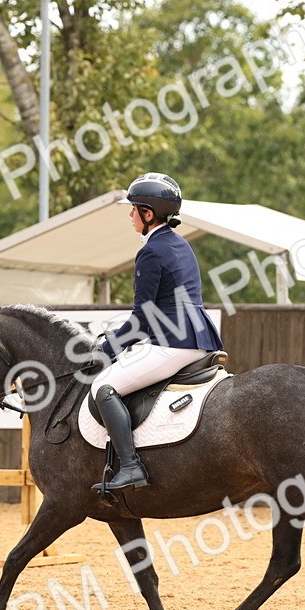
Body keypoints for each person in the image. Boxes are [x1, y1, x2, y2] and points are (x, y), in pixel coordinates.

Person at [90, 172, 224, 495]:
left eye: (133, 208)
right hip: (199, 338)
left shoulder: (150, 253)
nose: (130, 214)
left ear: (148, 214)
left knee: (104, 387)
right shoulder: (181, 244)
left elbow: (142, 319)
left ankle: (130, 466)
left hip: (172, 342)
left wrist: (106, 351)